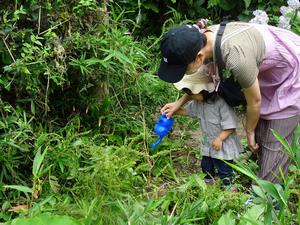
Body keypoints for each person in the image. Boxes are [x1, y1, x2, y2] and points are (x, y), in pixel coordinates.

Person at [157, 21, 300, 183]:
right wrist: (178, 104)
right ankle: (258, 170)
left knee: (275, 139)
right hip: (266, 69)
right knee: (261, 131)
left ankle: (267, 200)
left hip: (292, 69)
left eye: (183, 69)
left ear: (199, 58)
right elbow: (199, 85)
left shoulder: (236, 58)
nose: (184, 73)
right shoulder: (202, 39)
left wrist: (249, 131)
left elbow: (254, 102)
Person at [161, 67, 243, 188]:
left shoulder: (221, 103)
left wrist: (220, 138)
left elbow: (230, 126)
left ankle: (229, 189)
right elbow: (189, 111)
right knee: (206, 165)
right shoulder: (199, 102)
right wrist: (173, 111)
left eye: (192, 93)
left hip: (222, 145)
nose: (190, 96)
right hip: (208, 143)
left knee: (224, 168)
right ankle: (209, 184)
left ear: (204, 90)